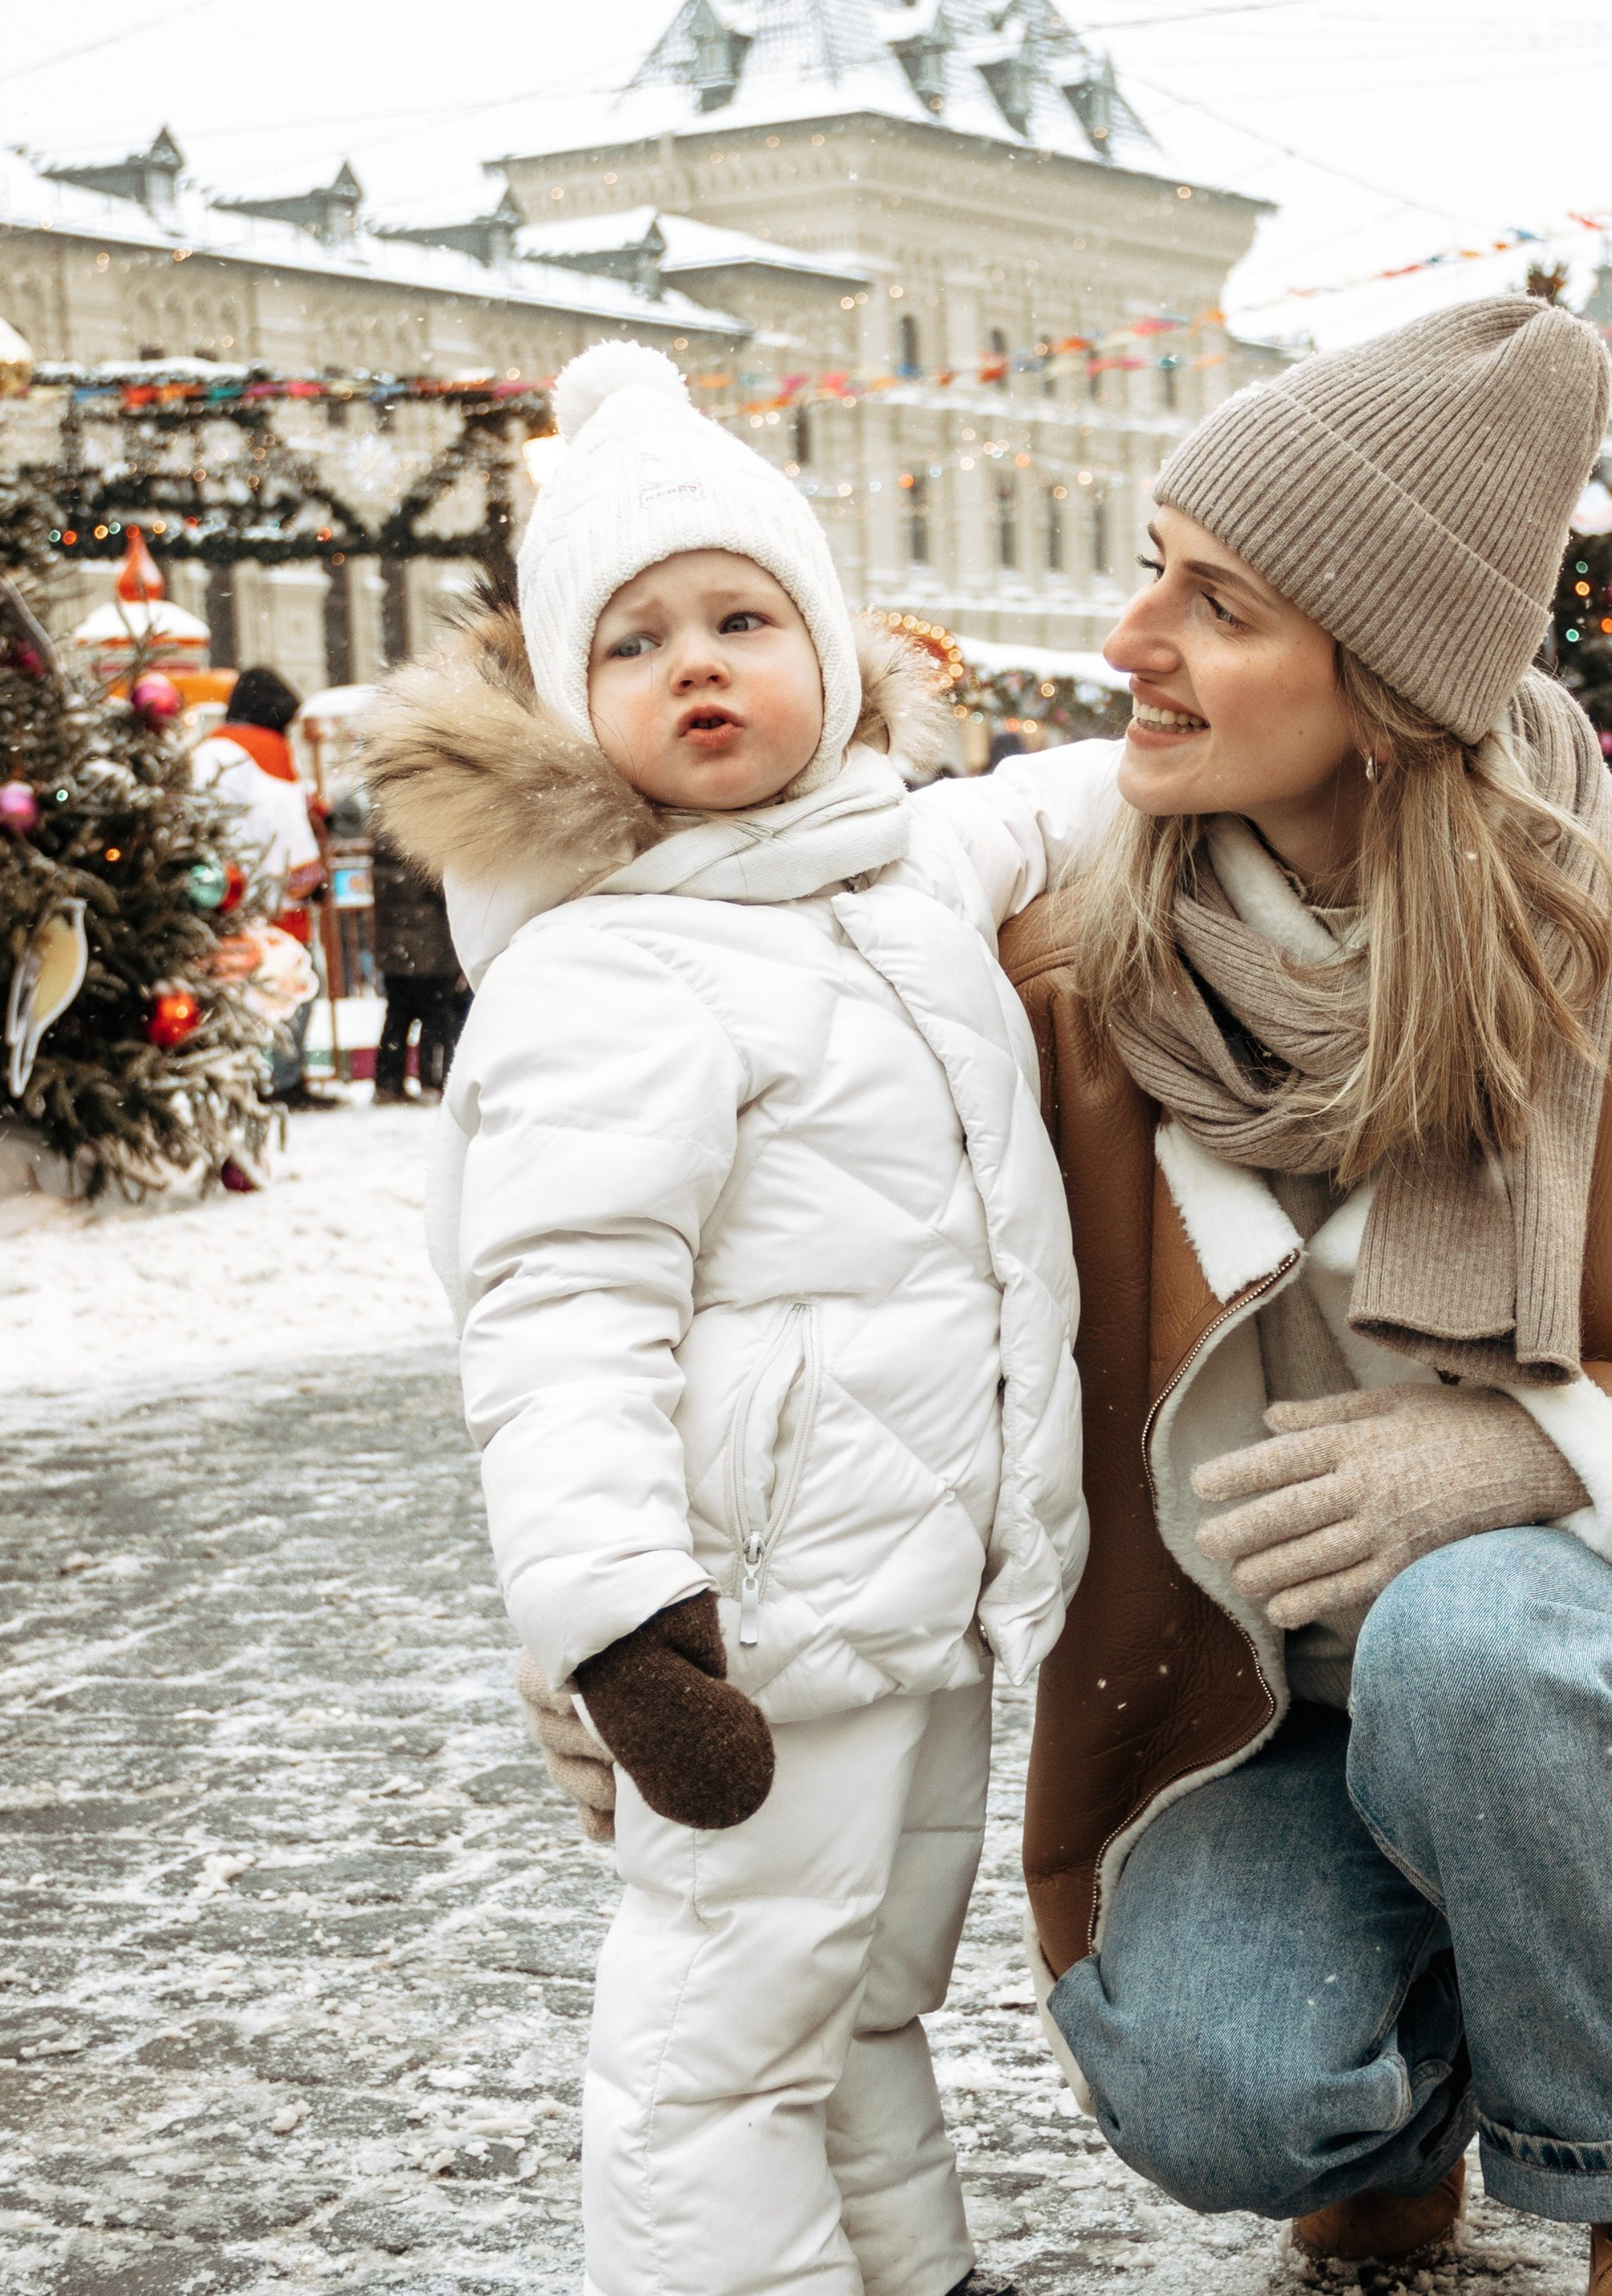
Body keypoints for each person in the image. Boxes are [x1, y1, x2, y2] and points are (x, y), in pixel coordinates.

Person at [523, 300, 1612, 2295]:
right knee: (1220, 2086)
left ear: (1376, 682)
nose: (1130, 639)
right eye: (1149, 571)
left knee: (1481, 1640)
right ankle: (1408, 2083)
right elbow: (766, 1278)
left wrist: (1526, 1451)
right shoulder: (1050, 977)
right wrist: (623, 1606)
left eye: (1214, 603)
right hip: (1245, 1700)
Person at [365, 342, 1075, 2296]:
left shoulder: (888, 869)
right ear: (575, 708)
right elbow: (555, 1314)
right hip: (746, 1626)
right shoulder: (609, 969)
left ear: (834, 658)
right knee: (713, 2038)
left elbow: (1066, 802)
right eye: (637, 640)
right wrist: (618, 1621)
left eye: (743, 617)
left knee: (849, 2006)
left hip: (910, 1600)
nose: (698, 664)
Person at [189, 665, 333, 1106]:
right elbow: (284, 821)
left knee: (231, 986)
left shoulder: (210, 749)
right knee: (294, 980)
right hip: (269, 899)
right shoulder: (265, 748)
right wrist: (309, 880)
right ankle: (282, 1079)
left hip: (216, 892)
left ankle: (242, 1076)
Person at [367, 831, 461, 1101]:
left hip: (394, 946)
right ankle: (432, 1081)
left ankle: (387, 1082)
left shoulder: (383, 838)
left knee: (397, 1015)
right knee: (436, 1017)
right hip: (430, 945)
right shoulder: (424, 836)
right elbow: (441, 888)